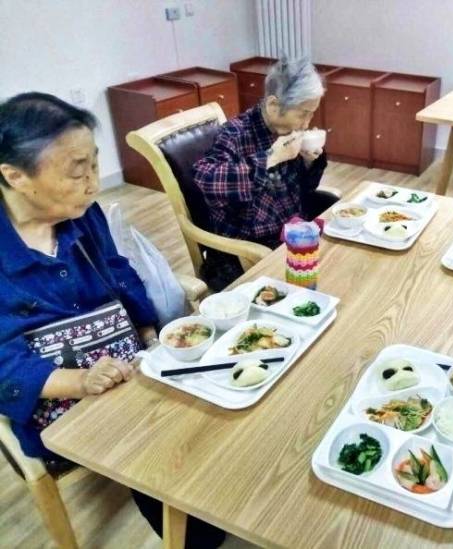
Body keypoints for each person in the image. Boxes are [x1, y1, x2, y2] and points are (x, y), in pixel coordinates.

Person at [0, 93, 224, 547]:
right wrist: (82, 381)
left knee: (219, 398)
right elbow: (5, 366)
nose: (93, 183)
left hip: (130, 366)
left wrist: (148, 332)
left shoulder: (82, 215)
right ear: (15, 176)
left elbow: (118, 271)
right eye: (77, 171)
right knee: (167, 458)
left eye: (95, 164)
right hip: (62, 400)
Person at [193, 55, 337, 290]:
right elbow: (205, 179)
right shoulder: (235, 134)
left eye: (312, 113)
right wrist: (271, 157)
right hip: (248, 253)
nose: (307, 123)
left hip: (292, 238)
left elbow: (305, 190)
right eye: (303, 113)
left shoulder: (288, 134)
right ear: (273, 105)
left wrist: (308, 162)